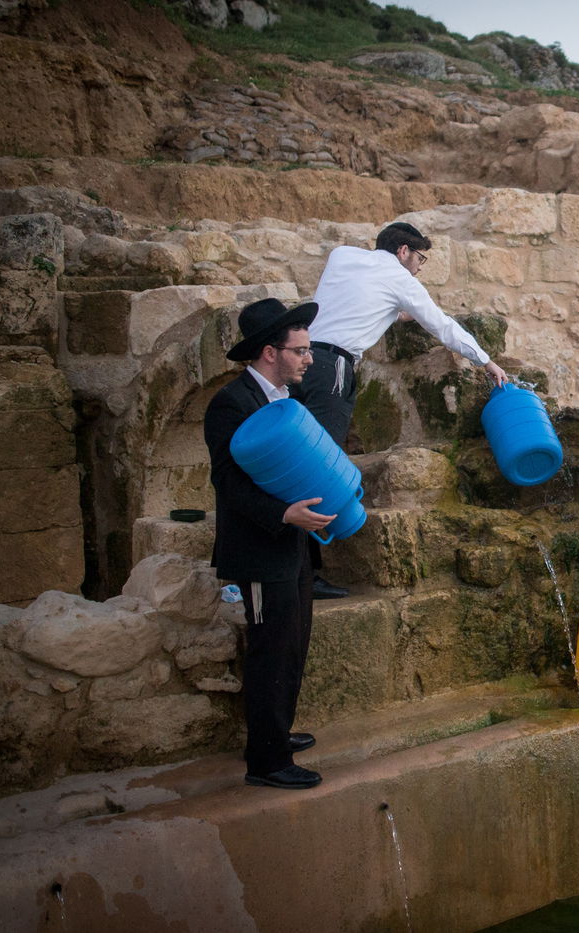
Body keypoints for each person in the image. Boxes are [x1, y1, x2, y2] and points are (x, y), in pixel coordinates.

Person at [294, 221, 509, 599]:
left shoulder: (342, 256)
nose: (421, 267)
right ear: (404, 251)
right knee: (319, 468)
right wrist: (486, 361)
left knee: (296, 460)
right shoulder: (401, 279)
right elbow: (443, 326)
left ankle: (297, 570)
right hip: (335, 368)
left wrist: (394, 311)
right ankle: (305, 576)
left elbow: (352, 301)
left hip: (301, 360)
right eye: (420, 257)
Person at [204, 297, 335, 790]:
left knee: (293, 644)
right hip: (259, 547)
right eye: (300, 350)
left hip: (292, 545)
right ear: (268, 353)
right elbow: (228, 484)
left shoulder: (286, 400)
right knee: (270, 651)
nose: (309, 359)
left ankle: (275, 733)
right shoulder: (231, 403)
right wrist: (284, 514)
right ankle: (266, 761)